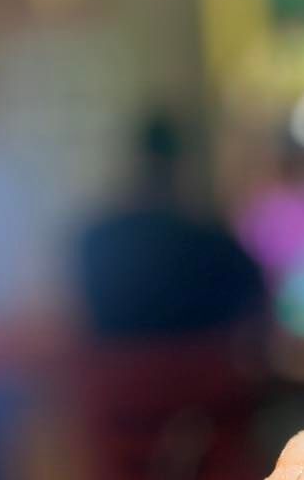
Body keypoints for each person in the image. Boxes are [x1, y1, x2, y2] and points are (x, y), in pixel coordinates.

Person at [74, 111, 268, 340]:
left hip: (113, 375)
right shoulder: (214, 246)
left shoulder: (95, 243)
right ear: (181, 166)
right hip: (204, 373)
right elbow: (256, 308)